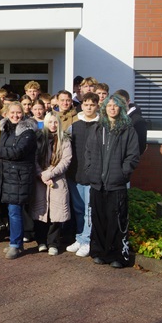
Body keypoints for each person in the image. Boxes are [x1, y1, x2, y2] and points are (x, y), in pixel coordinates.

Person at [85, 93, 141, 268]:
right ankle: (99, 252)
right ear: (104, 108)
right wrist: (90, 171)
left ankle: (118, 256)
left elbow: (133, 156)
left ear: (121, 108)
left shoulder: (128, 130)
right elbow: (88, 153)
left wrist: (123, 174)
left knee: (116, 221)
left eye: (115, 106)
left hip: (116, 184)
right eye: (109, 106)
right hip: (97, 184)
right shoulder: (97, 128)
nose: (112, 108)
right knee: (99, 219)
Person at [0, 101, 38, 260]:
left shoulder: (28, 132)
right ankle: (16, 242)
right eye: (12, 113)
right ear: (6, 114)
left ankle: (15, 244)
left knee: (15, 211)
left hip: (19, 178)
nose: (16, 116)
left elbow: (17, 152)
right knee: (11, 211)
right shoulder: (4, 130)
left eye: (18, 113)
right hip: (7, 177)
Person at [30, 112, 72, 256]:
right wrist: (41, 174)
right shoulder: (39, 139)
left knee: (57, 213)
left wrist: (50, 174)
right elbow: (34, 159)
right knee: (40, 212)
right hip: (40, 181)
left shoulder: (64, 140)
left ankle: (53, 242)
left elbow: (66, 160)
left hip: (58, 180)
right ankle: (41, 241)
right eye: (50, 122)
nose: (53, 125)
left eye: (56, 122)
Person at [65, 92, 100, 258]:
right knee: (78, 209)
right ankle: (80, 237)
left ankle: (87, 240)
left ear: (97, 106)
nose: (89, 107)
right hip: (75, 173)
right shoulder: (74, 126)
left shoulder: (101, 126)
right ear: (82, 106)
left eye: (92, 105)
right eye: (86, 104)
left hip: (92, 175)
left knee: (89, 210)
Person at [114, 89, 148, 155]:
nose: (120, 105)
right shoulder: (113, 118)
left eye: (122, 102)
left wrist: (129, 162)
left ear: (128, 101)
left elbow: (140, 145)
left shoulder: (137, 120)